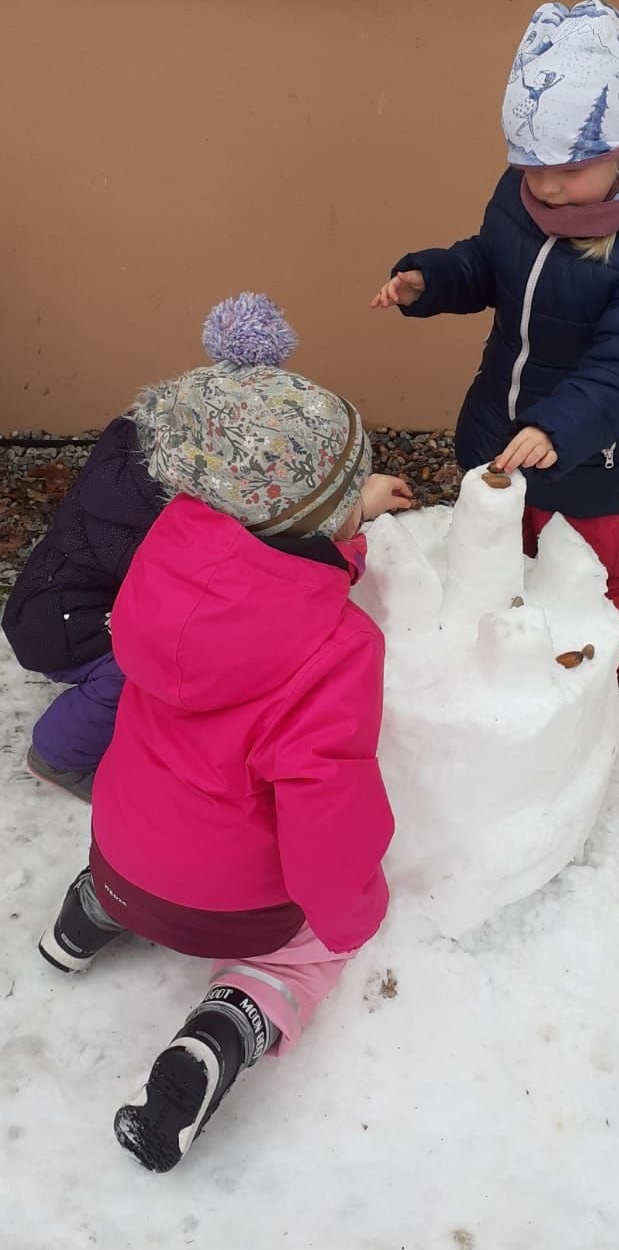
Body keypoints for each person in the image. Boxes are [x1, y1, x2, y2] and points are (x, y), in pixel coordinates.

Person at [37, 295, 411, 1171]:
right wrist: (349, 909)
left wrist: (345, 518)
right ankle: (225, 1027)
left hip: (121, 855)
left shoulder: (167, 560)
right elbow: (326, 804)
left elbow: (266, 568)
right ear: (319, 516)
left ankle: (87, 918)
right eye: (348, 492)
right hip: (234, 908)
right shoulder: (340, 648)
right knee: (302, 953)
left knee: (142, 846)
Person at [372, 0, 619, 684]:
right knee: (507, 554)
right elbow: (489, 262)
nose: (549, 188)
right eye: (533, 168)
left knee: (585, 569)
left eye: (570, 170)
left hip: (591, 450)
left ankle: (595, 679)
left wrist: (559, 428)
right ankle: (516, 666)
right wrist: (433, 280)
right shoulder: (522, 193)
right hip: (499, 424)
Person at [5, 294, 300, 799]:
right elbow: (177, 594)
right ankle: (59, 756)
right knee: (140, 666)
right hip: (58, 621)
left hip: (62, 599)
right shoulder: (138, 518)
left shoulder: (136, 459)